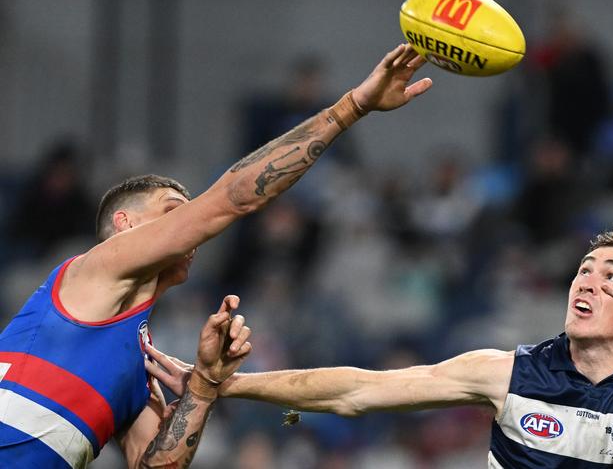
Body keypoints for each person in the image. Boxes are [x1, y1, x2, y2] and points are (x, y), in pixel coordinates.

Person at [0, 43, 432, 468]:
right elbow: (232, 199)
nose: (190, 225)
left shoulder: (141, 364)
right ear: (124, 226)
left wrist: (204, 386)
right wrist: (350, 107)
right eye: (174, 211)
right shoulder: (92, 269)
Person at [147, 228, 613, 467]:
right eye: (584, 270)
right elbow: (358, 391)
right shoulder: (510, 374)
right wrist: (222, 383)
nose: (588, 282)